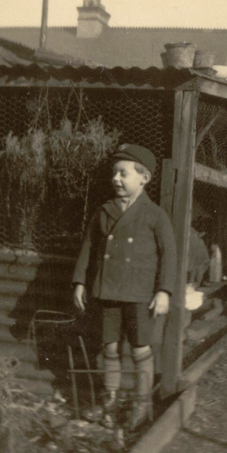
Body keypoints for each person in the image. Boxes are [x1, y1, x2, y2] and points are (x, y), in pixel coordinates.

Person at [72, 143, 177, 430]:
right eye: (114, 173)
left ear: (144, 178)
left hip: (139, 294)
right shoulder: (103, 211)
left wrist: (164, 290)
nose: (116, 179)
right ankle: (111, 399)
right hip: (108, 289)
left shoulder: (155, 215)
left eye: (123, 173)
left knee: (140, 348)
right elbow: (89, 247)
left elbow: (169, 253)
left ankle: (142, 404)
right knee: (110, 346)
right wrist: (80, 281)